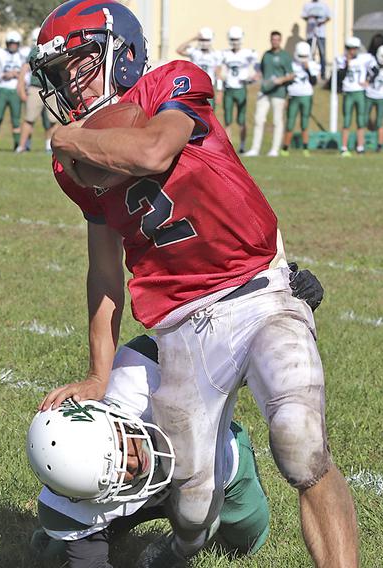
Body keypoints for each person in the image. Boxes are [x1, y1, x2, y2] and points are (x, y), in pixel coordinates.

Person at [31, 2, 358, 567]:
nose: (70, 84)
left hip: (258, 291)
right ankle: (178, 549)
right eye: (60, 75)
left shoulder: (171, 83)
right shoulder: (74, 169)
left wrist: (71, 140)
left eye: (80, 64)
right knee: (192, 503)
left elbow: (155, 149)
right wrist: (97, 373)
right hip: (181, 323)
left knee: (301, 444)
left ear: (121, 54)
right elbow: (105, 271)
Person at [27, 263, 324, 568]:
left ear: (108, 420)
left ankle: (180, 541)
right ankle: (73, 535)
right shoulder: (66, 506)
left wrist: (283, 307)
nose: (134, 463)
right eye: (116, 474)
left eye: (119, 450)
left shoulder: (141, 371)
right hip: (139, 497)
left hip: (210, 458)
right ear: (80, 494)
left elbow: (230, 360)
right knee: (55, 559)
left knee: (244, 543)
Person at [244, 31, 294, 157]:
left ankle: (274, 150)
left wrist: (280, 80)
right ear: (270, 40)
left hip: (278, 93)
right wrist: (256, 76)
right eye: (273, 39)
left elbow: (291, 75)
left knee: (277, 121)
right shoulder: (266, 55)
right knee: (259, 119)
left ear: (280, 40)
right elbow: (262, 71)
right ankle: (255, 149)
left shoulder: (285, 56)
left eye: (277, 39)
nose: (275, 41)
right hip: (265, 91)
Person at [17, 27, 59, 154]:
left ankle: (51, 147)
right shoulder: (34, 51)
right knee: (29, 118)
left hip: (52, 89)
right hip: (36, 88)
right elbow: (25, 68)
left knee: (54, 120)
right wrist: (21, 88)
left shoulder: (54, 48)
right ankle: (21, 146)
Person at [218, 26, 257, 153]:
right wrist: (220, 87)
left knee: (241, 120)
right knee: (227, 120)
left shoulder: (247, 53)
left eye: (237, 39)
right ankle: (229, 148)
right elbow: (218, 69)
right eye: (233, 39)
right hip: (229, 89)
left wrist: (252, 76)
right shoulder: (225, 53)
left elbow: (257, 66)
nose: (235, 41)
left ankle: (242, 145)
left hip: (241, 89)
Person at [337, 36, 374, 156]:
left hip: (360, 92)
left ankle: (360, 147)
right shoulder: (341, 59)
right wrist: (347, 64)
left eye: (354, 49)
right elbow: (339, 76)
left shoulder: (365, 58)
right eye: (350, 48)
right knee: (347, 120)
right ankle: (343, 147)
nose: (352, 51)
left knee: (361, 120)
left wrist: (369, 80)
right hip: (348, 92)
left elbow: (376, 68)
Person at [281, 41, 320, 156]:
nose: (303, 58)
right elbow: (286, 82)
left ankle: (305, 147)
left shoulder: (312, 64)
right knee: (290, 122)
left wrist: (307, 69)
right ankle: (285, 148)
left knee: (304, 123)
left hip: (306, 96)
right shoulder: (291, 64)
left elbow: (314, 82)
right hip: (293, 96)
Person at [0, 31, 25, 151]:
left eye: (15, 43)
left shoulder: (22, 55)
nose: (13, 45)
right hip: (2, 89)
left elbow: (27, 75)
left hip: (15, 90)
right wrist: (5, 75)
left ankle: (17, 146)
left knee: (16, 120)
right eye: (11, 43)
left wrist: (17, 74)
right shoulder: (0, 54)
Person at [175, 28, 222, 108]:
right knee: (194, 110)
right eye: (202, 40)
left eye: (206, 40)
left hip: (209, 86)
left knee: (209, 111)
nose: (204, 42)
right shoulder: (194, 52)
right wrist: (193, 39)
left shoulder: (216, 54)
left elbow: (218, 75)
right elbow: (179, 50)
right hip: (195, 85)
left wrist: (220, 91)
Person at [301, 0, 331, 79]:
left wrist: (321, 22)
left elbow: (328, 17)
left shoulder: (323, 5)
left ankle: (323, 74)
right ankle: (310, 73)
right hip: (310, 34)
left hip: (321, 33)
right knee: (310, 54)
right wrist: (311, 18)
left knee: (322, 54)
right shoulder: (307, 5)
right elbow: (304, 16)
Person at [368, 46, 383, 152]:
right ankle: (365, 141)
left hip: (381, 96)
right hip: (369, 95)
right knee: (364, 119)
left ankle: (380, 145)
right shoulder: (372, 63)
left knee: (380, 122)